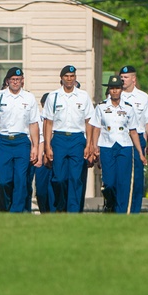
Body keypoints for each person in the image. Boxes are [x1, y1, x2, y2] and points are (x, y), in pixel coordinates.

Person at [0, 67, 41, 212]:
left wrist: (35, 146)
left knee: (20, 180)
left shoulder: (29, 98)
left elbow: (34, 124)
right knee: (2, 180)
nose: (15, 82)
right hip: (3, 142)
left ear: (22, 81)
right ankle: (4, 209)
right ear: (8, 81)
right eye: (13, 80)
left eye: (18, 80)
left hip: (22, 142)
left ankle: (16, 212)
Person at [86, 75, 145, 213]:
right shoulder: (101, 107)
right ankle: (110, 203)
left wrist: (140, 153)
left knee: (123, 183)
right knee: (109, 182)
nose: (114, 91)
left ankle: (121, 212)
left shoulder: (128, 108)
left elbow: (133, 131)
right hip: (107, 147)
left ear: (121, 90)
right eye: (112, 88)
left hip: (124, 147)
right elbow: (96, 127)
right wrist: (94, 146)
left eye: (117, 88)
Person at [41, 65, 94, 212]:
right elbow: (48, 122)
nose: (69, 79)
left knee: (76, 178)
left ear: (75, 78)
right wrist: (47, 146)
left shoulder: (83, 96)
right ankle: (60, 206)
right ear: (62, 78)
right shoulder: (54, 96)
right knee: (59, 178)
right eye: (66, 76)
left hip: (77, 139)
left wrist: (89, 144)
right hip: (59, 138)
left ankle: (74, 211)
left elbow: (89, 121)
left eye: (72, 76)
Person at [119, 65, 148, 213]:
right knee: (121, 177)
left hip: (138, 139)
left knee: (137, 178)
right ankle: (120, 210)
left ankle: (135, 211)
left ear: (133, 79)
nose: (123, 80)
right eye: (121, 77)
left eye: (126, 77)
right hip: (120, 138)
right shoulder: (114, 96)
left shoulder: (143, 97)